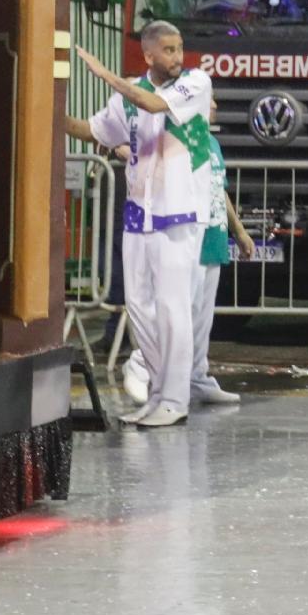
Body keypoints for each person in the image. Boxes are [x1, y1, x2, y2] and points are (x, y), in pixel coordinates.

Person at [63, 24, 214, 428]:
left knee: (172, 307)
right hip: (139, 215)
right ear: (149, 56)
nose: (177, 57)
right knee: (141, 310)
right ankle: (158, 395)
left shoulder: (196, 83)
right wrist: (43, 106)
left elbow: (150, 103)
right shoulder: (125, 98)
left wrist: (106, 75)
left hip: (178, 213)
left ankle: (176, 398)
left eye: (180, 48)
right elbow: (90, 131)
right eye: (168, 50)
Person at [121, 100, 255, 408]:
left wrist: (239, 231)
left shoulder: (212, 143)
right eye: (208, 102)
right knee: (177, 314)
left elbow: (219, 190)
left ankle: (196, 377)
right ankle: (141, 364)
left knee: (200, 319)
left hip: (213, 238)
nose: (216, 106)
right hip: (187, 238)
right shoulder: (174, 140)